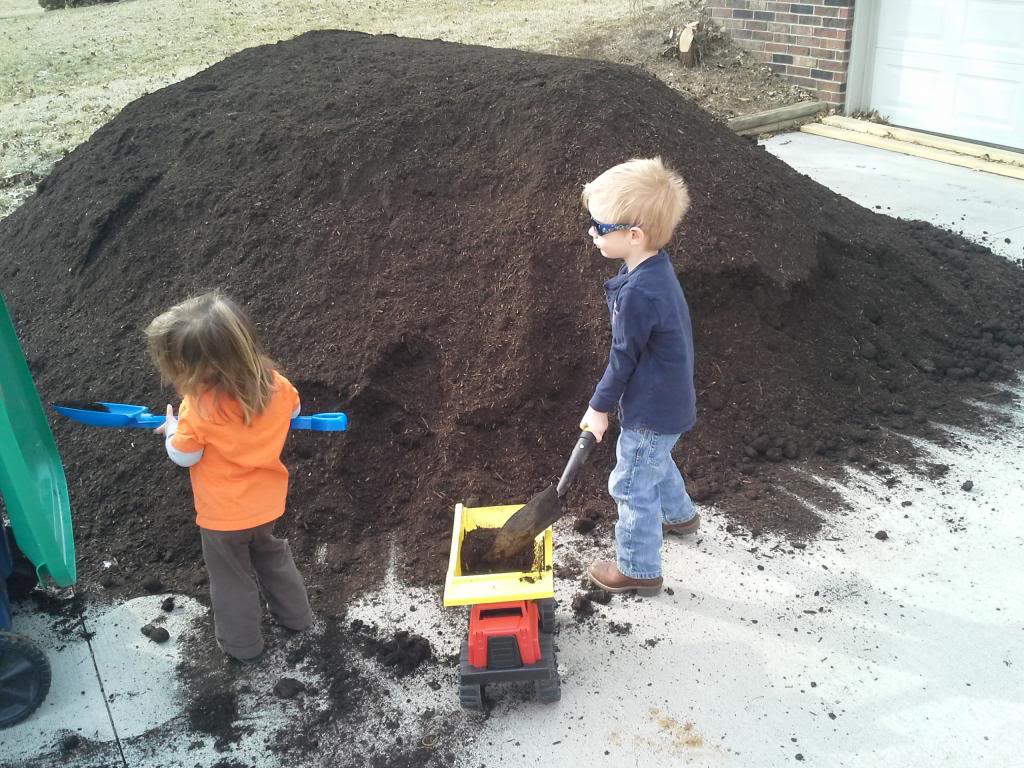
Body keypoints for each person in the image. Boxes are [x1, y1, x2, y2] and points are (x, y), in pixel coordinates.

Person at [146, 291, 311, 662]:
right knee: (272, 556)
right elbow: (295, 409)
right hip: (266, 503)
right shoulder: (275, 384)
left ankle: (244, 646)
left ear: (193, 369)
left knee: (231, 577)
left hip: (223, 517)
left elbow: (184, 455)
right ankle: (298, 618)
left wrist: (172, 429)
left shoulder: (197, 408)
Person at [579, 157, 699, 597]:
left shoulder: (639, 294)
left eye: (599, 225)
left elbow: (622, 359)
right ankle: (681, 517)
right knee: (655, 461)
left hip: (652, 407)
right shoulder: (653, 268)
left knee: (630, 484)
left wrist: (597, 409)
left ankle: (638, 569)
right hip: (670, 399)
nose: (592, 233)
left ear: (634, 236)